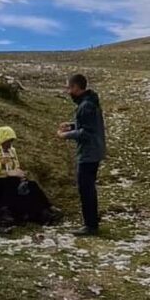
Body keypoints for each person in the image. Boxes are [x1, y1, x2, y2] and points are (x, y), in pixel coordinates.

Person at [0, 127, 62, 226]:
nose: (9, 144)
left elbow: (16, 167)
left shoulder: (12, 151)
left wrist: (20, 173)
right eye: (7, 141)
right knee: (11, 182)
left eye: (11, 141)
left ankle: (45, 211)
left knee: (31, 185)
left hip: (12, 180)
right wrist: (0, 166)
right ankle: (5, 213)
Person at [58, 73, 107, 237]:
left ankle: (90, 225)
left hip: (88, 153)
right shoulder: (90, 102)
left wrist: (67, 135)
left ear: (76, 87)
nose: (68, 91)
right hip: (94, 151)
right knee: (89, 188)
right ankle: (91, 222)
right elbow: (87, 125)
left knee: (85, 189)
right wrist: (72, 126)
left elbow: (86, 132)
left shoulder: (85, 105)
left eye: (69, 87)